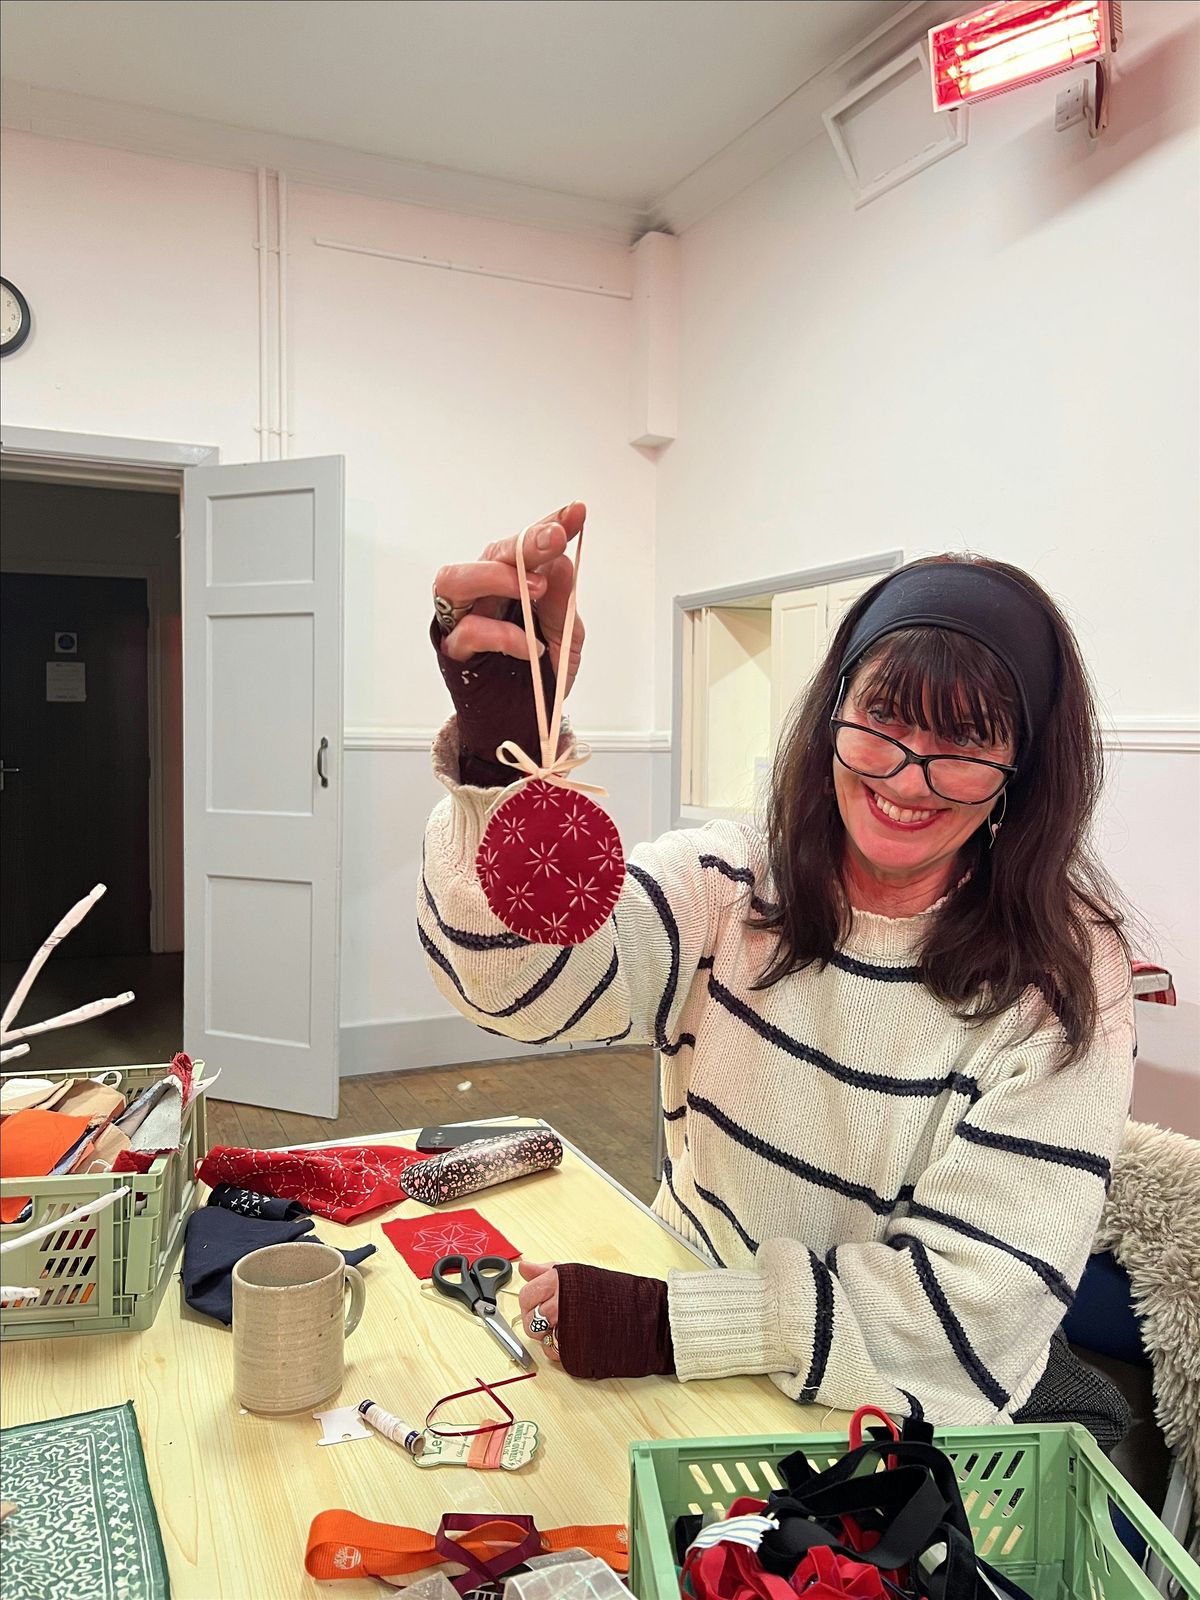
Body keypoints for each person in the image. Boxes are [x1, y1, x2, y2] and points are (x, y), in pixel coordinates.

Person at [420, 503, 1135, 1444]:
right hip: (683, 1358)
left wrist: (670, 1324)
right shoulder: (727, 885)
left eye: (965, 741)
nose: (906, 777)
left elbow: (975, 1309)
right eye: (883, 718)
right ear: (835, 709)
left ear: (1023, 769)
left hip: (878, 1422)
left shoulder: (1061, 981)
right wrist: (501, 755)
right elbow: (517, 991)